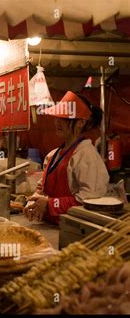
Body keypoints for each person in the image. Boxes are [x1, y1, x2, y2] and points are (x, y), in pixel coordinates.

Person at [24, 91, 109, 224]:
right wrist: (36, 199)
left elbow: (90, 201)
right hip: (50, 225)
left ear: (80, 123)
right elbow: (42, 187)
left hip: (72, 229)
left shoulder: (87, 156)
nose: (57, 122)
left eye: (64, 118)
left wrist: (50, 204)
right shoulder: (54, 155)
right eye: (57, 117)